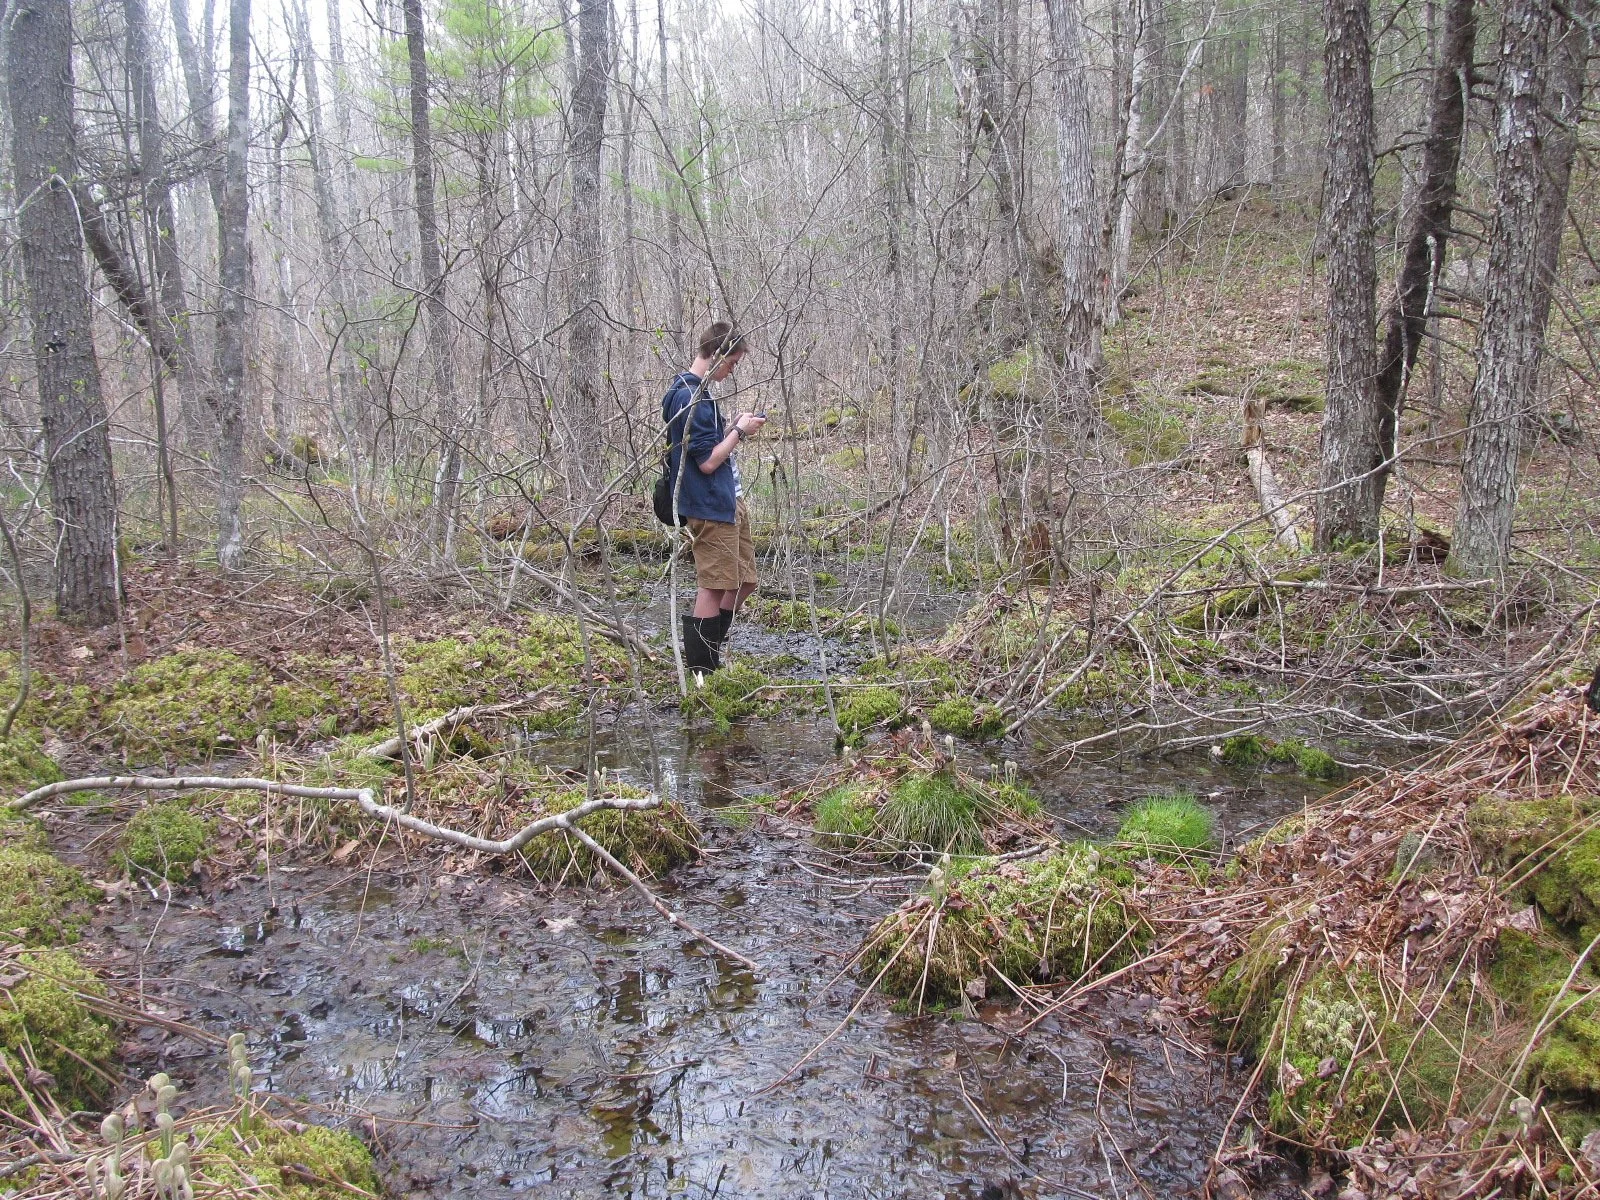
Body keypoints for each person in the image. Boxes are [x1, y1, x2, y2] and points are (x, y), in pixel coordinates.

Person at [661, 321, 765, 673]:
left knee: (745, 582)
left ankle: (712, 655)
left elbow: (706, 448)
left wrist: (733, 428)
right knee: (714, 586)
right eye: (732, 363)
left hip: (726, 500)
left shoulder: (700, 394)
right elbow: (705, 462)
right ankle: (703, 673)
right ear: (717, 354)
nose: (732, 370)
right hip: (709, 505)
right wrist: (739, 431)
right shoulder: (689, 395)